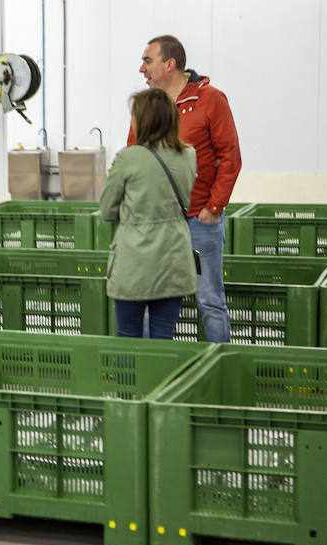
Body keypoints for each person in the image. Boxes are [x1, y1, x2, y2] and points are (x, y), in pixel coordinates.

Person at [131, 35, 241, 342]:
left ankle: (220, 371)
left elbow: (230, 157)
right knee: (153, 302)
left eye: (147, 61)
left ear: (170, 64)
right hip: (160, 224)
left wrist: (213, 208)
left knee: (209, 301)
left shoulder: (210, 100)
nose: (142, 69)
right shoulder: (147, 106)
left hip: (199, 221)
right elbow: (134, 156)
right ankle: (155, 373)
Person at [101, 88, 197, 339]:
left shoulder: (128, 158)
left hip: (134, 261)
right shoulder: (188, 155)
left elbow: (107, 209)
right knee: (163, 335)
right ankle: (162, 380)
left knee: (128, 335)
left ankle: (131, 380)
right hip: (174, 258)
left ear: (143, 119)